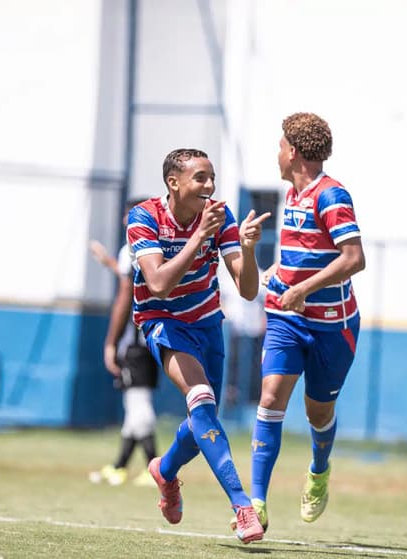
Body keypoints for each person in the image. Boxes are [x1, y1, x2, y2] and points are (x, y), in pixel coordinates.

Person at [128, 148, 270, 543]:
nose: (209, 186)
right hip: (164, 323)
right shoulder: (144, 218)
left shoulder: (220, 216)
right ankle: (242, 506)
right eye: (200, 178)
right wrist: (199, 237)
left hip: (208, 325)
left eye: (212, 177)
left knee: (201, 422)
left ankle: (165, 471)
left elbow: (247, 290)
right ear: (174, 183)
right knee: (202, 398)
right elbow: (157, 284)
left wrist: (247, 248)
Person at [242, 112, 365, 532]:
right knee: (271, 397)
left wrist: (303, 290)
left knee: (317, 411)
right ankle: (254, 503)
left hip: (333, 325)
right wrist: (276, 274)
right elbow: (304, 256)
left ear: (293, 152)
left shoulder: (331, 196)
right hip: (285, 320)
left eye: (279, 146)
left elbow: (354, 259)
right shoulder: (290, 197)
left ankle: (318, 470)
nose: (276, 154)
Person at [88, 199, 160, 487]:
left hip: (135, 341)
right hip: (156, 336)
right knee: (134, 409)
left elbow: (125, 294)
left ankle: (156, 469)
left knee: (138, 405)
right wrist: (108, 262)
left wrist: (110, 343)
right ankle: (119, 466)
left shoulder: (131, 246)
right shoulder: (157, 245)